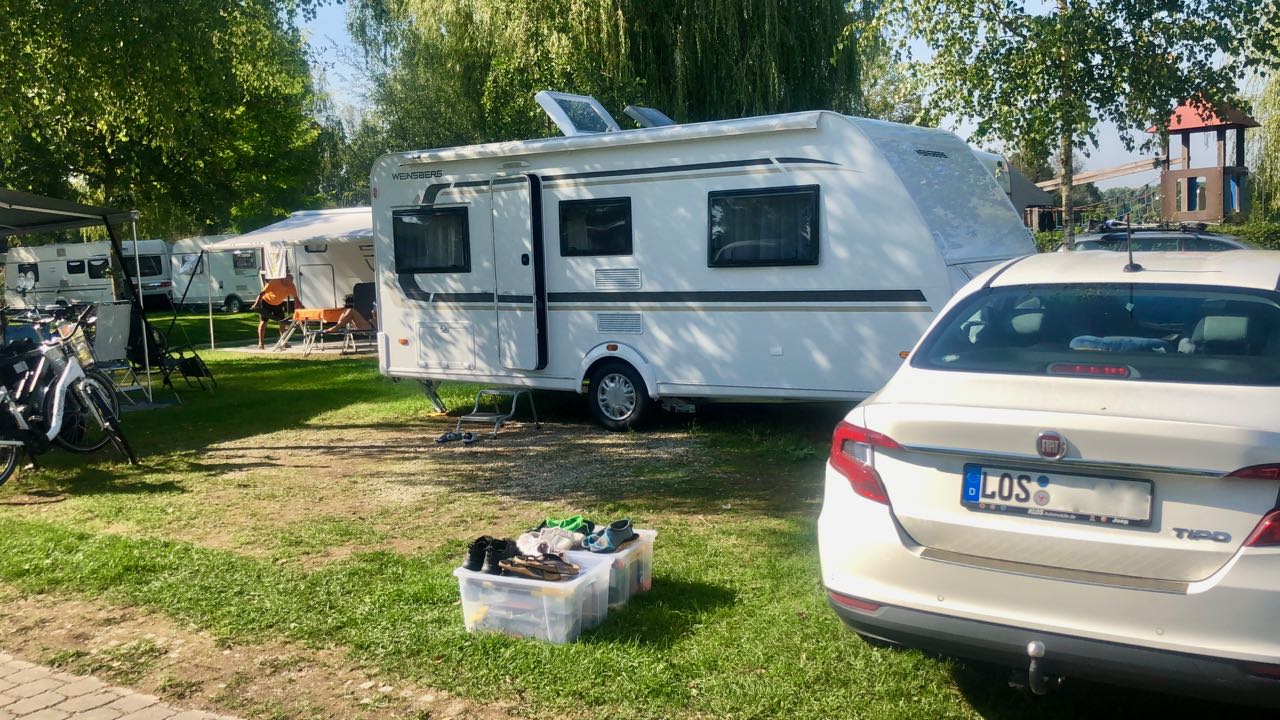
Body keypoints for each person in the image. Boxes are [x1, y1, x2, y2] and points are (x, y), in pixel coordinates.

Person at [251, 273, 302, 349]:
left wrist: (301, 307)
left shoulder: (291, 286)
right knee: (263, 322)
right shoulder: (274, 282)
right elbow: (261, 294)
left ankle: (283, 342)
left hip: (278, 304)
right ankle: (261, 343)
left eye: (291, 282)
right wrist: (256, 304)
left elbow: (296, 299)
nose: (290, 284)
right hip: (266, 302)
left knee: (282, 322)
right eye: (289, 282)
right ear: (284, 279)